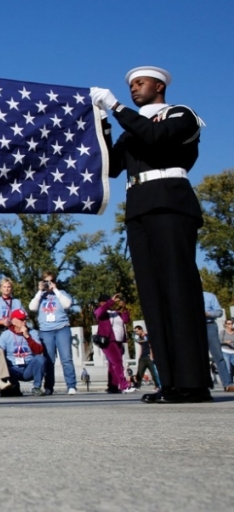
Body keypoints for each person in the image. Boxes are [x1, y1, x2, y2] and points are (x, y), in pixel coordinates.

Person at [92, 67, 210, 403]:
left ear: (159, 86)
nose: (133, 89)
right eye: (129, 86)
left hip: (170, 202)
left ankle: (194, 382)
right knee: (153, 297)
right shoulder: (134, 127)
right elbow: (113, 166)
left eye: (140, 83)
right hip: (139, 209)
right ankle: (171, 382)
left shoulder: (180, 114)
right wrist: (101, 124)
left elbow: (157, 137)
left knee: (178, 288)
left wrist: (116, 108)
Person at [28, 271, 77, 395]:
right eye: (46, 281)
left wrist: (55, 290)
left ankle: (71, 385)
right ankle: (49, 387)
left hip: (62, 328)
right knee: (49, 360)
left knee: (66, 358)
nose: (48, 284)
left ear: (55, 281)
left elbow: (67, 304)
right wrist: (40, 291)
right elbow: (32, 308)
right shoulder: (41, 295)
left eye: (51, 281)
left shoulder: (61, 294)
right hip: (46, 331)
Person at [0, 309, 46, 395]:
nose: (24, 322)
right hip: (13, 369)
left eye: (25, 319)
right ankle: (14, 386)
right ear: (14, 321)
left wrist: (27, 336)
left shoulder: (32, 333)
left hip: (28, 368)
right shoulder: (6, 334)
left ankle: (37, 387)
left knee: (40, 359)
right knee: (2, 364)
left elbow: (39, 351)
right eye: (21, 320)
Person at [93, 294, 135, 394]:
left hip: (119, 341)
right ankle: (124, 385)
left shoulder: (116, 313)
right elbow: (99, 313)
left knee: (113, 365)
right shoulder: (101, 312)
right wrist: (110, 301)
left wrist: (123, 307)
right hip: (108, 340)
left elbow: (126, 320)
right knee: (117, 362)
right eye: (105, 302)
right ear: (101, 303)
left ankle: (113, 386)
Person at [203, 291, 234, 392]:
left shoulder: (209, 296)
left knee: (218, 356)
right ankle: (201, 385)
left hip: (209, 325)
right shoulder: (185, 296)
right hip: (193, 326)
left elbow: (219, 312)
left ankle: (228, 383)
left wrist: (209, 314)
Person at [132, 325, 161, 390]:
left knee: (153, 373)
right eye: (135, 331)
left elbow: (151, 346)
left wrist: (151, 355)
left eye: (137, 331)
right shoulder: (140, 338)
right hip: (142, 358)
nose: (136, 333)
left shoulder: (147, 336)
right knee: (139, 372)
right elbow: (141, 347)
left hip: (148, 357)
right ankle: (137, 385)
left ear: (141, 330)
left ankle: (157, 385)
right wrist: (139, 356)